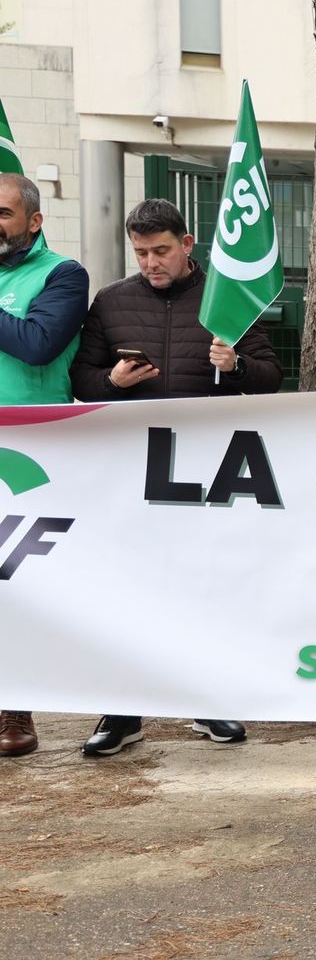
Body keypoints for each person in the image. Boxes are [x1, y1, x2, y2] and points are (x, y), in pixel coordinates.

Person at [69, 197, 283, 755]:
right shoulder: (111, 302)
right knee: (126, 590)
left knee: (203, 587)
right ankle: (122, 712)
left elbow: (270, 379)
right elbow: (82, 381)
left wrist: (235, 366)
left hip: (208, 471)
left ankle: (208, 701)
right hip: (133, 471)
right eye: (140, 253)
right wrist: (114, 382)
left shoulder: (227, 302)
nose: (150, 263)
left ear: (187, 245)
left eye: (160, 251)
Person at [0, 173, 88, 759]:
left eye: (2, 213)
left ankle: (15, 713)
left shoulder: (63, 275)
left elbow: (37, 344)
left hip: (30, 451)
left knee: (17, 585)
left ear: (33, 221)